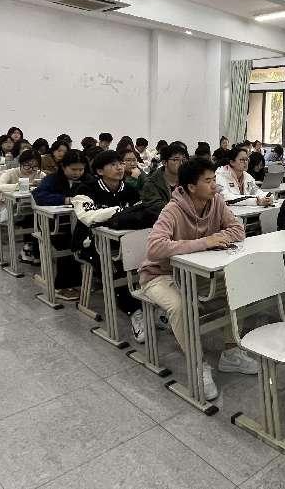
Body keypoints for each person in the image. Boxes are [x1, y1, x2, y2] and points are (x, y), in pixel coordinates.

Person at [139, 158, 252, 399]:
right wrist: (205, 242)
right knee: (181, 307)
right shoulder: (172, 210)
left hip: (194, 273)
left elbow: (238, 230)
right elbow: (155, 248)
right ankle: (198, 365)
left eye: (214, 179)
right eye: (208, 181)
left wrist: (217, 238)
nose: (214, 185)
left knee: (239, 288)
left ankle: (231, 353)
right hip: (160, 275)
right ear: (191, 187)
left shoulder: (216, 201)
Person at [71, 150, 152, 342]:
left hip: (122, 241)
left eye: (120, 163)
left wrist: (111, 214)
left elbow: (142, 213)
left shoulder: (129, 189)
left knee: (151, 261)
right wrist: (121, 211)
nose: (119, 167)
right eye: (113, 165)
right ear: (100, 171)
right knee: (116, 269)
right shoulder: (86, 189)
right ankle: (136, 312)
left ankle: (152, 306)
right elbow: (88, 217)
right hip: (90, 243)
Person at [32, 150, 91, 296]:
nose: (77, 173)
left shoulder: (88, 180)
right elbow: (39, 196)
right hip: (53, 225)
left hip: (80, 223)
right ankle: (63, 285)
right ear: (63, 167)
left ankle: (86, 281)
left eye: (81, 169)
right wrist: (64, 199)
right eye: (73, 169)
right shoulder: (52, 179)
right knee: (68, 242)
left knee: (89, 241)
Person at [0, 149, 43, 263]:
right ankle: (30, 249)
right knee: (33, 219)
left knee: (39, 219)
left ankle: (32, 249)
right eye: (27, 166)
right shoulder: (11, 173)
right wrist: (19, 186)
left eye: (35, 167)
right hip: (10, 209)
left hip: (31, 209)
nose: (31, 170)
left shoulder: (39, 174)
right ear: (20, 163)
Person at [141, 143, 189, 215]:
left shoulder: (188, 180)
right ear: (164, 163)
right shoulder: (152, 183)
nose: (181, 163)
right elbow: (156, 208)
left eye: (183, 159)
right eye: (176, 160)